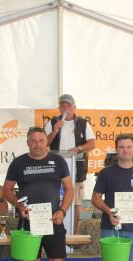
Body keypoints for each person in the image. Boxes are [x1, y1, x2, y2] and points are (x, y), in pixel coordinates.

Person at [3, 127, 75, 261]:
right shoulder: (19, 163)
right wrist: (19, 206)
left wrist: (62, 211)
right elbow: (7, 189)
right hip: (30, 220)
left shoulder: (58, 161)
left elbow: (69, 189)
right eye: (33, 141)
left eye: (41, 140)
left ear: (46, 141)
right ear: (28, 143)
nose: (37, 145)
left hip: (53, 220)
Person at [46, 94, 96, 233]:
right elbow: (45, 143)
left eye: (68, 105)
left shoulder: (83, 123)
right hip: (55, 173)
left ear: (74, 107)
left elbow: (92, 143)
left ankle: (72, 235)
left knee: (75, 204)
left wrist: (78, 148)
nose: (66, 108)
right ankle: (53, 233)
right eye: (63, 105)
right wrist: (55, 130)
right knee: (53, 202)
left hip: (76, 171)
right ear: (59, 108)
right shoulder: (52, 122)